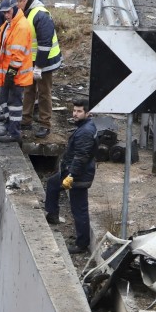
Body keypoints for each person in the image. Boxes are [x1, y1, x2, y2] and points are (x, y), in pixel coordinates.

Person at [44, 99, 97, 254]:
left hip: (79, 176)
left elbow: (81, 157)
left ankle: (82, 244)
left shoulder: (85, 132)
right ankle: (52, 214)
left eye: (79, 111)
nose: (75, 114)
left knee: (79, 209)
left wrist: (72, 176)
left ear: (87, 113)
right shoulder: (84, 127)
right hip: (73, 172)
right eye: (74, 110)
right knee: (53, 184)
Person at [18, 0, 62, 139]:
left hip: (45, 61)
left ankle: (45, 124)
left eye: (17, 4)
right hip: (31, 60)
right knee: (29, 89)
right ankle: (26, 120)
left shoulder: (41, 15)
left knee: (44, 92)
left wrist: (39, 67)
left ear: (23, 1)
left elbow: (45, 44)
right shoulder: (27, 12)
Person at [0, 0, 34, 143]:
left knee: (14, 104)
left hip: (16, 75)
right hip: (8, 73)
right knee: (3, 100)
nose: (6, 15)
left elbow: (17, 54)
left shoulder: (21, 27)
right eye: (4, 13)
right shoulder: (10, 25)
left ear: (15, 8)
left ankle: (14, 132)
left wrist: (11, 73)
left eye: (8, 12)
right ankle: (8, 126)